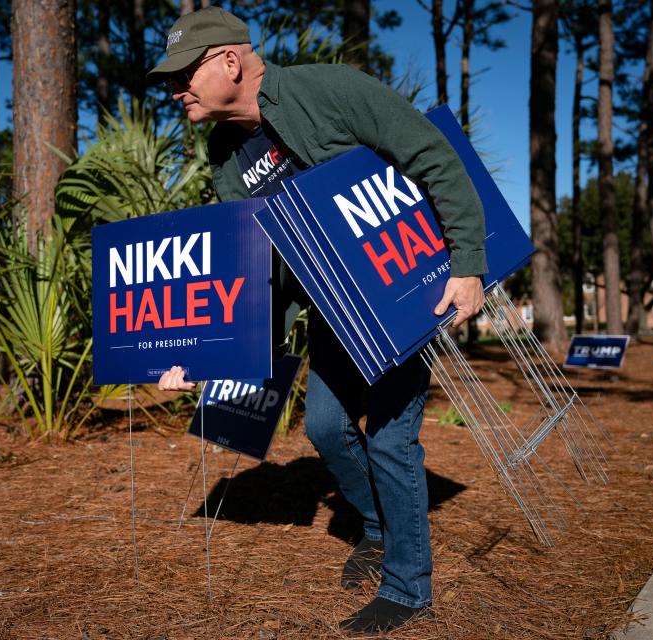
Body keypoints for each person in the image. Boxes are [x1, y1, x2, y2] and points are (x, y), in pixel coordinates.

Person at [149, 6, 487, 635]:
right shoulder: (224, 153)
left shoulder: (328, 90)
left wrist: (466, 263)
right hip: (329, 313)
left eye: (184, 72)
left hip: (396, 294)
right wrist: (203, 355)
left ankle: (408, 588)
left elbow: (433, 155)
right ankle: (380, 527)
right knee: (328, 428)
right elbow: (257, 274)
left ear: (229, 61)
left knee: (390, 437)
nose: (176, 89)